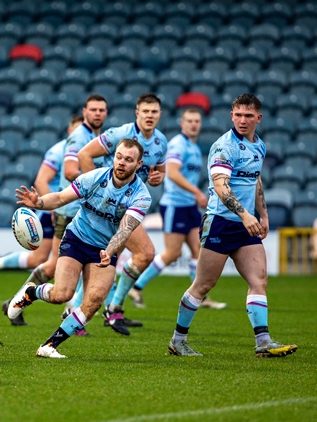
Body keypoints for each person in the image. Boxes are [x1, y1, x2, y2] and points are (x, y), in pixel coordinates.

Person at [168, 93, 297, 358]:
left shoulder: (259, 146)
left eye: (248, 115)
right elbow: (220, 185)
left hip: (245, 225)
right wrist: (245, 215)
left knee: (259, 279)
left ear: (258, 118)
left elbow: (255, 179)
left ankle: (263, 341)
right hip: (220, 223)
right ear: (231, 116)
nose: (242, 120)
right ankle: (178, 340)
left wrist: (263, 214)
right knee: (203, 285)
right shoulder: (223, 146)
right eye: (238, 114)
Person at [7, 139, 151, 358]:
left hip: (104, 249)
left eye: (128, 160)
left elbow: (125, 229)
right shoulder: (95, 177)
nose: (121, 163)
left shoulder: (141, 196)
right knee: (61, 294)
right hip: (77, 238)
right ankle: (31, 292)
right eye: (119, 157)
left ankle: (49, 346)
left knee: (93, 302)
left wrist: (110, 250)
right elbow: (61, 197)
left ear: (138, 164)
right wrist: (39, 203)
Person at [78, 92, 167, 335]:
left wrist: (158, 178)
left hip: (128, 208)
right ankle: (106, 308)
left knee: (134, 255)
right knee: (139, 253)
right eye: (145, 111)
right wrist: (95, 195)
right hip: (109, 207)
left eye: (154, 112)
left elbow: (157, 173)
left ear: (160, 114)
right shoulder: (121, 134)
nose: (150, 116)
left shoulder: (161, 142)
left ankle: (104, 308)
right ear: (137, 113)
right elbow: (84, 155)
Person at [128, 108, 226, 310]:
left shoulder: (194, 147)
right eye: (189, 120)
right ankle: (136, 286)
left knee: (197, 250)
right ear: (182, 123)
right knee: (172, 253)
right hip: (174, 204)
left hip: (188, 205)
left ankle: (200, 296)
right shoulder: (178, 145)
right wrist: (197, 193)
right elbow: (171, 173)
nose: (193, 124)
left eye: (197, 121)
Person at [0, 113, 85, 292]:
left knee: (49, 260)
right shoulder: (59, 151)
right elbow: (41, 181)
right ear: (70, 130)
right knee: (44, 259)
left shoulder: (88, 152)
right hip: (55, 210)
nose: (80, 134)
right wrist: (52, 210)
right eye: (77, 130)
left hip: (72, 210)